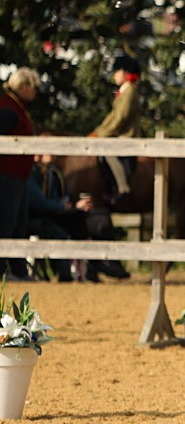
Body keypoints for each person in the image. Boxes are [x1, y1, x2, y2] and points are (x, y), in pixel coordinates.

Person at [27, 151, 130, 281]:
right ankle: (71, 271)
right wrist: (66, 206)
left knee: (100, 217)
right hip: (44, 216)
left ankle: (105, 260)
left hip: (57, 212)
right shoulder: (31, 173)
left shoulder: (53, 172)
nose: (50, 153)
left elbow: (64, 196)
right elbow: (40, 203)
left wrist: (76, 205)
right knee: (60, 230)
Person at [0, 67, 40, 280]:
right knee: (6, 223)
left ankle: (18, 269)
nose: (35, 92)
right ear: (23, 87)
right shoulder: (8, 110)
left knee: (18, 223)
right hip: (7, 176)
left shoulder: (16, 107)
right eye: (33, 88)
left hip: (18, 177)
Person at [89, 54, 142, 198]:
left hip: (127, 136)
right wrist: (97, 132)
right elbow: (111, 117)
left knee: (107, 151)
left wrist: (100, 135)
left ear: (125, 73)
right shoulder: (124, 92)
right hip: (120, 134)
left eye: (117, 71)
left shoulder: (129, 92)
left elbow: (120, 119)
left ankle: (123, 187)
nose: (114, 75)